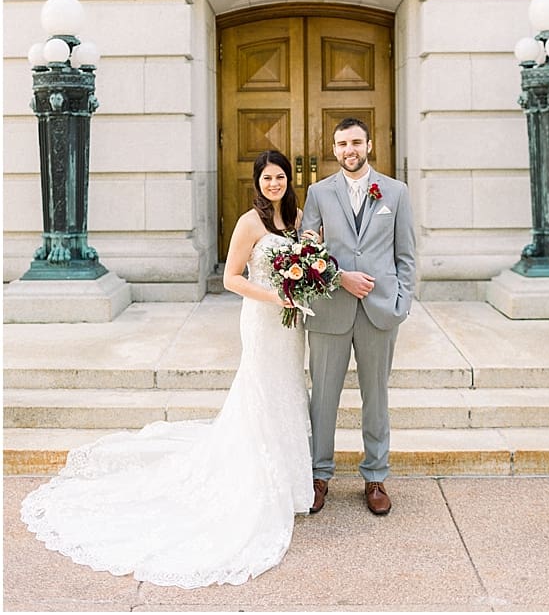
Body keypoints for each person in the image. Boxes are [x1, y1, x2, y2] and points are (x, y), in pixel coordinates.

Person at [21, 150, 313, 587]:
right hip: (263, 319)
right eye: (267, 178)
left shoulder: (298, 216)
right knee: (263, 391)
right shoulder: (249, 223)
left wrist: (304, 286)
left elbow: (308, 261)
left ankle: (293, 481)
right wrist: (277, 298)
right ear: (258, 182)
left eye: (280, 177)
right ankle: (261, 478)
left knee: (290, 388)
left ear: (290, 181)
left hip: (292, 326)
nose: (275, 184)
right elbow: (232, 279)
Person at [301, 117, 415, 517]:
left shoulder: (396, 193)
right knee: (323, 399)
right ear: (334, 150)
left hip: (380, 310)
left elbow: (406, 255)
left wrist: (401, 301)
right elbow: (306, 253)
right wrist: (340, 277)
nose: (349, 150)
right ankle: (319, 476)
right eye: (341, 144)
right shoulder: (317, 193)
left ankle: (375, 476)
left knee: (376, 397)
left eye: (355, 142)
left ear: (369, 144)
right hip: (330, 308)